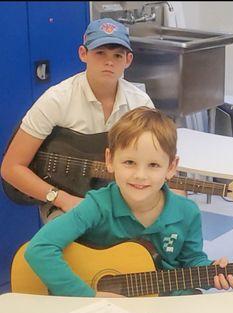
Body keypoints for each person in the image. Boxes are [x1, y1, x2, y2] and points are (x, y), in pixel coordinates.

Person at [24, 107, 233, 297]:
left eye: (153, 165)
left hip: (168, 302)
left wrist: (213, 272)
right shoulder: (96, 206)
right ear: (110, 160)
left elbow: (192, 262)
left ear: (171, 167)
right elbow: (39, 249)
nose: (140, 175)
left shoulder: (187, 213)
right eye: (129, 162)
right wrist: (88, 296)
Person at [1, 18, 154, 222]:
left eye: (117, 55)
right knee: (74, 237)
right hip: (63, 199)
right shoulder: (57, 99)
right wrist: (62, 199)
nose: (109, 62)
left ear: (128, 60)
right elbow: (11, 168)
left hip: (118, 196)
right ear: (83, 54)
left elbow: (152, 160)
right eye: (100, 53)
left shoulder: (140, 104)